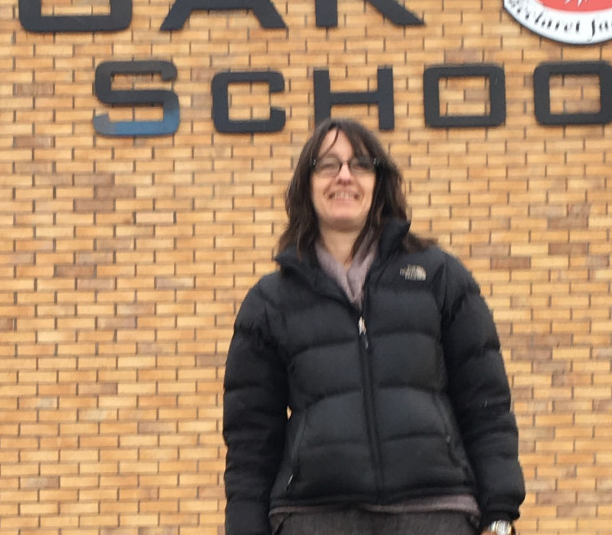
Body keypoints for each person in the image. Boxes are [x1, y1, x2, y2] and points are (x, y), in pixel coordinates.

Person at [222, 118, 525, 535]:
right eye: (327, 165)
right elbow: (250, 440)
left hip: (436, 514)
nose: (344, 176)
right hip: (315, 518)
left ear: (378, 182)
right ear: (306, 185)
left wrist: (499, 513)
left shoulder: (440, 278)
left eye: (360, 164)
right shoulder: (271, 301)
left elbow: (486, 406)